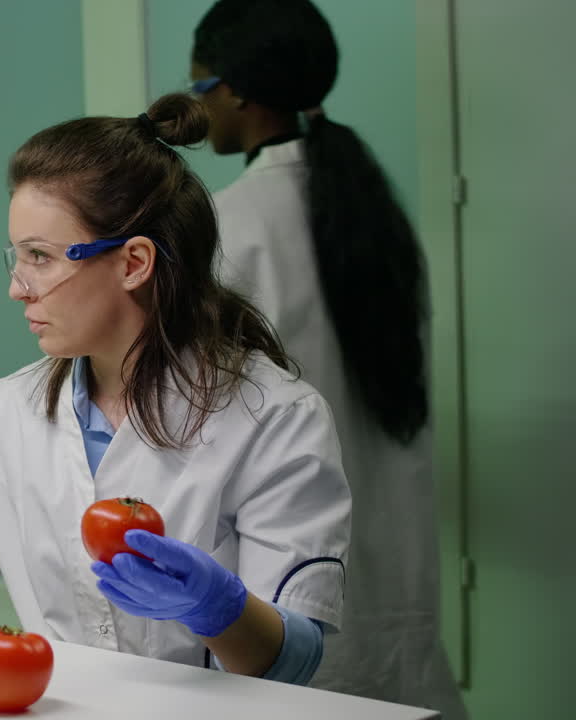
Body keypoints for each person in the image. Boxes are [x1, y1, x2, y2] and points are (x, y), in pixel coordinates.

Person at [0, 93, 351, 684]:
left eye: (40, 257)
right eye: (18, 256)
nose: (18, 288)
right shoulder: (15, 407)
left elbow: (294, 657)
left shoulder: (276, 417)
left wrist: (219, 609)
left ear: (134, 262)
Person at [188, 0, 466, 716]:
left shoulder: (226, 227)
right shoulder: (378, 221)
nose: (201, 110)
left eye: (201, 90)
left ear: (237, 92)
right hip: (390, 566)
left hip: (287, 570)